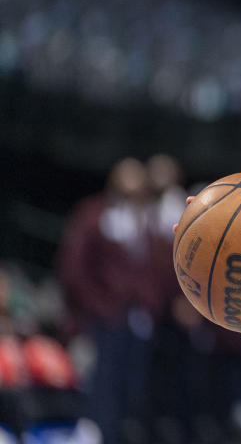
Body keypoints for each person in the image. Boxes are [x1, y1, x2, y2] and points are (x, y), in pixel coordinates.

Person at [57, 157, 165, 444]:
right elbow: (73, 267)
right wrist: (98, 305)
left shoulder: (149, 221)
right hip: (101, 319)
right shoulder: (93, 214)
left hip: (138, 321)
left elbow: (156, 269)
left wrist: (149, 304)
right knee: (101, 388)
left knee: (133, 391)